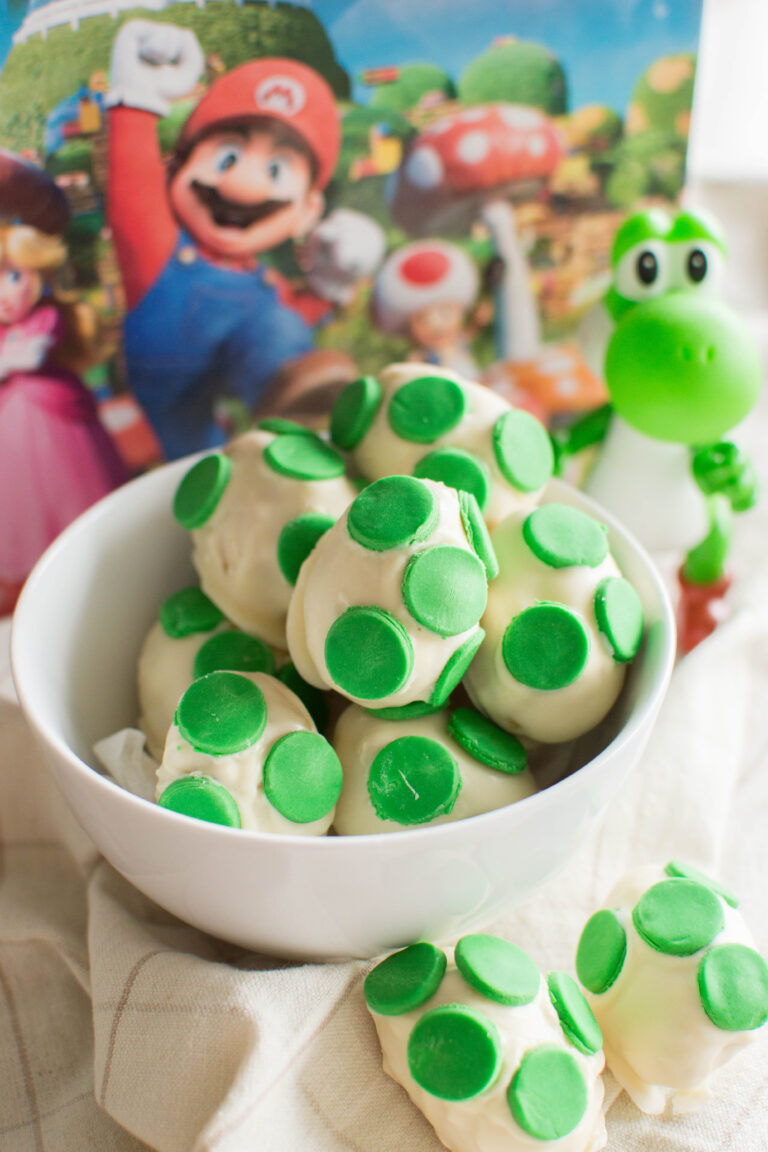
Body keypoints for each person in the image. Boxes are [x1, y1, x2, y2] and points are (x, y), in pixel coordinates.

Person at [107, 21, 346, 460]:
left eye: (276, 169)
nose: (244, 187)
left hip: (257, 390)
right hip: (171, 408)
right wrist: (135, 97)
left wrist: (333, 283)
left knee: (277, 324)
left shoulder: (265, 281)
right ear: (177, 167)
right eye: (228, 156)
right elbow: (130, 195)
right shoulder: (160, 253)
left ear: (307, 211)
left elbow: (298, 317)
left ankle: (304, 413)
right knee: (192, 463)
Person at [0, 151, 128, 615]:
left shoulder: (47, 320)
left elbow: (28, 353)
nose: (5, 294)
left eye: (13, 277)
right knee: (19, 501)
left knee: (71, 488)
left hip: (54, 418)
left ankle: (89, 563)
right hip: (10, 435)